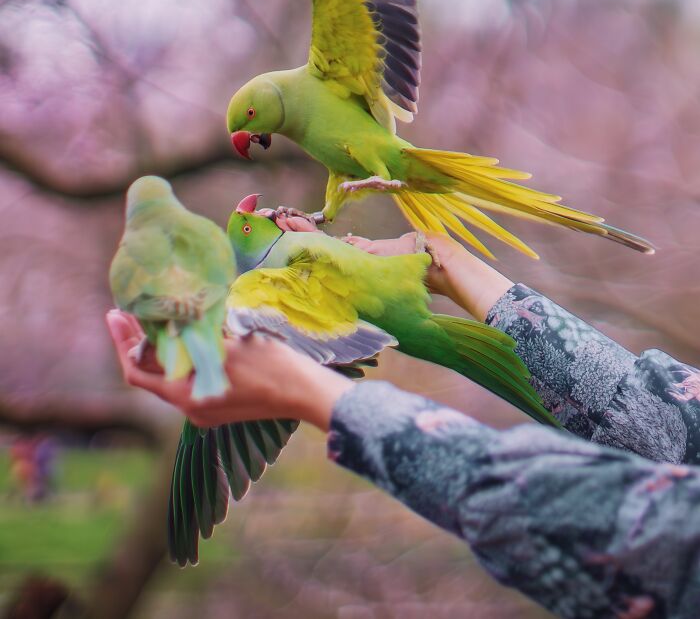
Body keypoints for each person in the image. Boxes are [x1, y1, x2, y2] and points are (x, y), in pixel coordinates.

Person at [107, 223, 700, 619]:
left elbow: (640, 529)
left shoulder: (256, 293)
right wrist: (448, 263)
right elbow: (672, 428)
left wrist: (313, 393)